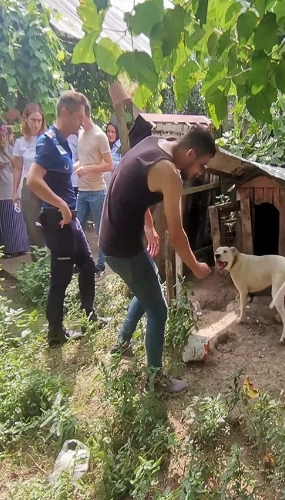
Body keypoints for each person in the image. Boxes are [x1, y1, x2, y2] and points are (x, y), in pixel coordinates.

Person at [99, 126, 216, 393]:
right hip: (122, 248)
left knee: (148, 284)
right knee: (158, 309)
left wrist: (148, 224)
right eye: (201, 165)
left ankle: (122, 343)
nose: (200, 172)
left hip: (113, 238)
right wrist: (195, 267)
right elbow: (176, 233)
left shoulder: (153, 143)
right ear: (189, 153)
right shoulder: (170, 175)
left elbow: (132, 188)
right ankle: (154, 380)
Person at [26, 90, 102, 347]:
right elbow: (33, 180)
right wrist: (60, 204)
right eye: (79, 116)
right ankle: (55, 331)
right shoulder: (47, 142)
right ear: (64, 113)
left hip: (70, 219)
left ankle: (89, 315)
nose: (82, 121)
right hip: (57, 219)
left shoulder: (62, 141)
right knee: (61, 276)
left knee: (88, 266)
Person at [74, 100, 113, 281]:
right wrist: (72, 166)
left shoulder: (100, 136)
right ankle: (82, 263)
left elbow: (109, 165)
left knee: (100, 231)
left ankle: (101, 266)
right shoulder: (80, 134)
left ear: (83, 114)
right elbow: (84, 160)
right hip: (82, 190)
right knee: (76, 227)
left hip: (97, 191)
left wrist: (87, 169)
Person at [0, 122, 29, 257]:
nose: (2, 139)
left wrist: (5, 151)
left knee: (17, 221)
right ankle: (7, 250)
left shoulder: (12, 150)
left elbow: (18, 165)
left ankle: (21, 247)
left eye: (4, 136)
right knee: (5, 222)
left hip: (14, 191)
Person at [12, 103, 46, 250]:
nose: (36, 124)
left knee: (49, 222)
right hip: (29, 184)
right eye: (33, 120)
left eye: (39, 120)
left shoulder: (47, 138)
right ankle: (38, 264)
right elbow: (18, 168)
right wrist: (14, 191)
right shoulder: (20, 142)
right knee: (32, 226)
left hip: (46, 183)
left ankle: (53, 261)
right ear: (25, 119)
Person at [105, 120, 121, 187]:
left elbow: (122, 163)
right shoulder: (105, 145)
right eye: (108, 131)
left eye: (113, 132)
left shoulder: (121, 146)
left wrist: (109, 163)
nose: (110, 134)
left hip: (117, 184)